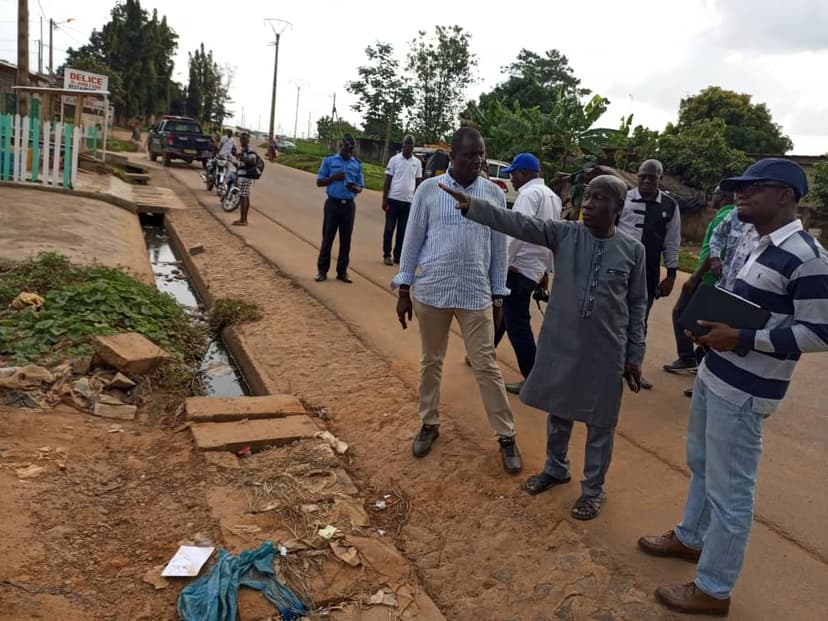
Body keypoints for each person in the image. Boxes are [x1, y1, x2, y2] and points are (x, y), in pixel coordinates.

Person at [638, 158, 828, 617]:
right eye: (738, 188)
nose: (739, 195)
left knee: (731, 491)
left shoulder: (809, 257)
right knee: (703, 464)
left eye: (752, 188)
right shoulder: (760, 245)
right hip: (716, 374)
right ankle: (690, 537)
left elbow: (820, 334)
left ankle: (714, 588)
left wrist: (742, 338)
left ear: (784, 196)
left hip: (745, 393)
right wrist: (707, 328)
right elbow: (747, 307)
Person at [439, 174, 647, 520]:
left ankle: (593, 491)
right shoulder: (565, 234)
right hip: (563, 344)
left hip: (607, 352)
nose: (589, 204)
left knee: (600, 424)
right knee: (560, 412)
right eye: (588, 197)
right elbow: (519, 222)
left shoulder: (633, 251)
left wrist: (634, 354)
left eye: (599, 198)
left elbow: (638, 304)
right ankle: (555, 468)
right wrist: (473, 206)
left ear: (619, 208)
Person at [391, 127, 522, 474]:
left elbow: (498, 249)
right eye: (470, 154)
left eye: (481, 153)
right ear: (452, 156)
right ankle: (429, 423)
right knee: (431, 361)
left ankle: (506, 436)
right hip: (432, 291)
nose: (478, 160)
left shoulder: (493, 194)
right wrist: (404, 289)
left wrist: (498, 295)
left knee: (486, 364)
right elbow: (412, 240)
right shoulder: (429, 191)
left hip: (475, 293)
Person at [494, 152, 561, 394]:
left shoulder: (528, 195)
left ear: (523, 173)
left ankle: (533, 379)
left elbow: (516, 232)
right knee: (506, 312)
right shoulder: (553, 197)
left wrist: (501, 263)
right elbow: (554, 236)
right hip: (534, 268)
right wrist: (546, 270)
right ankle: (483, 354)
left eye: (513, 174)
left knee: (516, 322)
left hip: (518, 267)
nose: (512, 180)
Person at [618, 159, 681, 389]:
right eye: (642, 176)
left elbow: (672, 242)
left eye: (651, 177)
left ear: (660, 179)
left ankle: (633, 366)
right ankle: (606, 365)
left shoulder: (670, 206)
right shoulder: (623, 198)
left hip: (648, 274)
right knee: (611, 316)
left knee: (639, 320)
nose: (645, 180)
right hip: (618, 270)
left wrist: (671, 275)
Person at [663, 188, 735, 381]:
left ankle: (689, 358)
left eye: (716, 193)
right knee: (702, 319)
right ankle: (700, 358)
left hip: (708, 278)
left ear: (724, 196)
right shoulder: (727, 215)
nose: (713, 197)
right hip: (715, 278)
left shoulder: (725, 217)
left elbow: (715, 251)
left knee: (682, 314)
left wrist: (695, 277)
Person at [315, 134, 364, 283]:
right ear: (340, 146)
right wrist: (333, 178)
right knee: (328, 238)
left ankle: (342, 272)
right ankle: (322, 271)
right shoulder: (329, 161)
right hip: (333, 204)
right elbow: (319, 182)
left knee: (346, 240)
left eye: (350, 151)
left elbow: (360, 187)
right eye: (345, 149)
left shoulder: (357, 164)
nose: (348, 153)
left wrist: (353, 187)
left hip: (348, 206)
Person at [381, 135, 422, 266]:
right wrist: (384, 199)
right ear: (402, 145)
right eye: (406, 144)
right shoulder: (394, 160)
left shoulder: (417, 163)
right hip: (393, 199)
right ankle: (387, 254)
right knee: (389, 229)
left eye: (411, 144)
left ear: (413, 147)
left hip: (408, 202)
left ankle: (398, 255)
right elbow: (387, 181)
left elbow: (418, 182)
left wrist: (416, 201)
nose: (408, 146)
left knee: (403, 230)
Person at [231, 132, 259, 227]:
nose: (241, 140)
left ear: (247, 140)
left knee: (243, 197)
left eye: (244, 139)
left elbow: (253, 161)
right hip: (242, 176)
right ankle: (243, 219)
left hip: (245, 177)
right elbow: (242, 164)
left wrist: (242, 157)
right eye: (241, 139)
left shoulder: (249, 150)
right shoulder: (243, 150)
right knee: (245, 197)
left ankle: (243, 220)